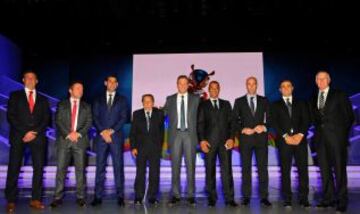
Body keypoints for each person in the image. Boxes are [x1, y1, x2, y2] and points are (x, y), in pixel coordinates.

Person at [5, 70, 50, 212]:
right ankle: (11, 200)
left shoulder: (43, 99)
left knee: (38, 169)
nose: (30, 80)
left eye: (33, 78)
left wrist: (34, 132)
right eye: (27, 78)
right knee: (14, 168)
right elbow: (11, 116)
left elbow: (46, 119)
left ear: (37, 81)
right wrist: (25, 132)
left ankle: (35, 199)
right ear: (23, 80)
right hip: (19, 136)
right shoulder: (15, 96)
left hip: (37, 137)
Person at [310, 71, 354, 213]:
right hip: (320, 140)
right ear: (316, 81)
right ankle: (327, 198)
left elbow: (349, 117)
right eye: (318, 79)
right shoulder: (313, 97)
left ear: (329, 80)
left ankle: (342, 200)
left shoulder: (339, 94)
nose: (321, 81)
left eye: (324, 78)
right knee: (324, 170)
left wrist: (341, 136)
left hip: (337, 139)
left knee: (339, 170)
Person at [50, 81, 92, 208]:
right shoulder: (62, 104)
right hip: (64, 141)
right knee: (61, 170)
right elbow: (58, 121)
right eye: (78, 88)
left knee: (80, 171)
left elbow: (89, 122)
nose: (81, 91)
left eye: (82, 89)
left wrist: (77, 134)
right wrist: (68, 134)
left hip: (80, 141)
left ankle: (80, 197)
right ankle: (57, 197)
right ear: (70, 90)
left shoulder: (86, 106)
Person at [232, 76, 272, 207]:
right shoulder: (239, 101)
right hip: (246, 140)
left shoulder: (264, 100)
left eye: (253, 84)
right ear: (246, 85)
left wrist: (264, 126)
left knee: (262, 169)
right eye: (249, 84)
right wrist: (242, 129)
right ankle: (246, 197)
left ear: (257, 85)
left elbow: (271, 118)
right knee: (246, 169)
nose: (251, 86)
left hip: (261, 139)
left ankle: (264, 197)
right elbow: (234, 121)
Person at [197, 81, 237, 207]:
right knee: (210, 171)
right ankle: (212, 198)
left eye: (216, 88)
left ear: (219, 90)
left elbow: (232, 123)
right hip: (209, 143)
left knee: (227, 171)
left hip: (225, 143)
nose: (214, 90)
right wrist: (202, 140)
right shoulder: (203, 105)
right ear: (209, 90)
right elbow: (200, 124)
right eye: (212, 88)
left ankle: (230, 198)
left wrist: (231, 138)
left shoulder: (226, 104)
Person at [271, 79, 310, 208]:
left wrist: (300, 135)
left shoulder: (302, 103)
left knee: (303, 170)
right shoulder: (275, 105)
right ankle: (287, 198)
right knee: (285, 170)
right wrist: (285, 136)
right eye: (283, 86)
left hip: (300, 141)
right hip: (284, 142)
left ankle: (304, 198)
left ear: (292, 88)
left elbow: (306, 120)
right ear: (280, 90)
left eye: (288, 86)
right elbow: (274, 122)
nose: (286, 88)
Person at [91, 75, 128, 207]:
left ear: (117, 84)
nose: (112, 84)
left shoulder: (122, 100)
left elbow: (123, 118)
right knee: (100, 167)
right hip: (101, 138)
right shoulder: (97, 99)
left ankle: (120, 196)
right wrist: (103, 131)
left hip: (116, 138)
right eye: (110, 81)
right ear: (105, 83)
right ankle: (97, 196)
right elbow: (94, 117)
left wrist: (111, 131)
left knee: (118, 167)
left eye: (114, 82)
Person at [164, 75, 200, 206]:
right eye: (180, 83)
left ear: (188, 85)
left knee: (191, 167)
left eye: (185, 83)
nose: (183, 86)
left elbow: (201, 118)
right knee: (175, 167)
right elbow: (161, 114)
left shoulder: (196, 99)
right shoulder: (170, 99)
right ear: (177, 84)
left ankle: (191, 195)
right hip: (175, 136)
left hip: (190, 136)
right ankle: (175, 195)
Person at [130, 94, 165, 205]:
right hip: (140, 149)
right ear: (142, 102)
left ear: (153, 102)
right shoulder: (136, 114)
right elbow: (133, 133)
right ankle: (138, 197)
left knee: (154, 173)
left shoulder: (159, 114)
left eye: (149, 101)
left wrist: (159, 147)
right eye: (145, 101)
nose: (147, 103)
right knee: (140, 173)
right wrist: (133, 147)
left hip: (155, 149)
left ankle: (152, 197)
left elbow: (161, 132)